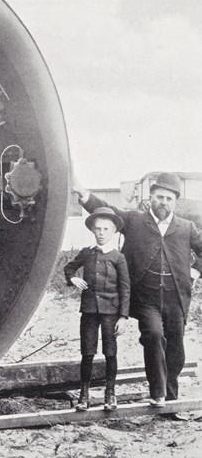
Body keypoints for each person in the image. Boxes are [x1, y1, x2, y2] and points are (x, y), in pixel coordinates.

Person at [73, 172, 202, 409]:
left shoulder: (186, 227)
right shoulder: (134, 220)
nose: (163, 202)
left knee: (176, 348)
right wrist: (84, 195)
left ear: (175, 202)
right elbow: (107, 210)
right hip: (145, 298)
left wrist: (195, 272)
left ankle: (171, 397)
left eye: (169, 199)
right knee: (153, 336)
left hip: (176, 298)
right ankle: (158, 394)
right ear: (151, 197)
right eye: (159, 197)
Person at [64, 208, 130, 411]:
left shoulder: (118, 258)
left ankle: (110, 394)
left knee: (110, 352)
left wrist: (124, 317)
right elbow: (69, 267)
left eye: (106, 229)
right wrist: (73, 278)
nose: (101, 232)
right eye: (98, 228)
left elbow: (125, 288)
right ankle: (84, 395)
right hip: (90, 311)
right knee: (88, 352)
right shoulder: (87, 253)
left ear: (113, 232)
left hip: (111, 312)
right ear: (92, 230)